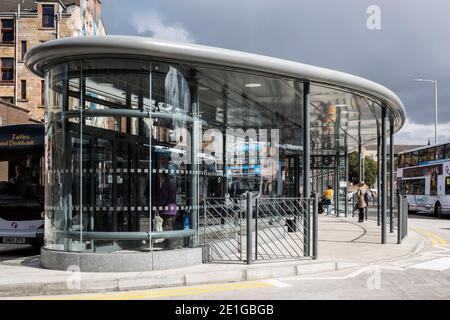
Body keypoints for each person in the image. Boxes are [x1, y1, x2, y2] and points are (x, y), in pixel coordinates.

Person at [157, 173, 177, 249]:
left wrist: (158, 207)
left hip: (167, 209)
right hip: (172, 209)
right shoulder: (172, 185)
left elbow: (163, 197)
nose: (160, 180)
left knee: (166, 226)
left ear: (163, 178)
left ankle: (169, 244)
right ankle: (169, 244)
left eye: (160, 178)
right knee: (169, 225)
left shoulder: (165, 185)